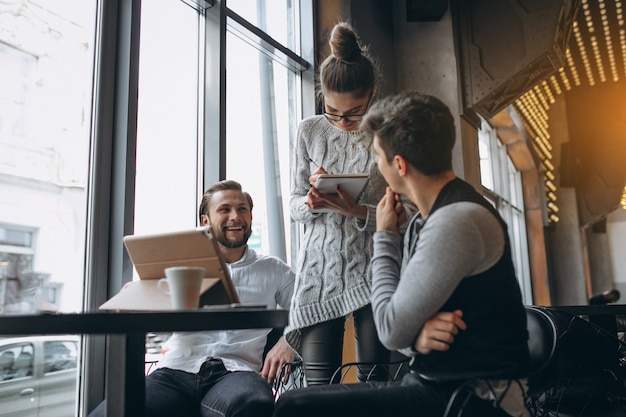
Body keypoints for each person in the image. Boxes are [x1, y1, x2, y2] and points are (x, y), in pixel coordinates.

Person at [274, 91, 530, 417]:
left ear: (399, 165)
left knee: (296, 406)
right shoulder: (427, 219)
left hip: (475, 398)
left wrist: (383, 235)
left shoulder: (456, 221)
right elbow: (401, 326)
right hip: (436, 383)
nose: (376, 166)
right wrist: (416, 338)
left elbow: (391, 329)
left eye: (378, 156)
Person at [90, 180, 295, 417]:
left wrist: (287, 342)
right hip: (176, 370)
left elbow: (309, 306)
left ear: (250, 216)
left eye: (242, 209)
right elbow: (151, 307)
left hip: (237, 373)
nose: (235, 217)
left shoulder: (273, 269)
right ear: (205, 221)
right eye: (224, 209)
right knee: (111, 412)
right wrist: (137, 295)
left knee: (253, 404)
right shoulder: (181, 266)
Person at [285, 22, 414, 385]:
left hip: (375, 272)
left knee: (376, 391)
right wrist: (310, 203)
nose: (343, 121)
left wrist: (355, 210)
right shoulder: (309, 131)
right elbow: (293, 204)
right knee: (317, 395)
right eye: (332, 111)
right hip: (319, 274)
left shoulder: (389, 134)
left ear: (371, 94)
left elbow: (409, 217)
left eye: (354, 112)